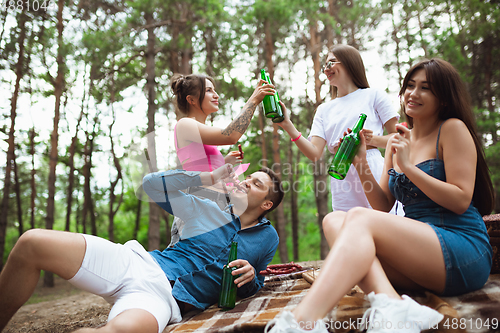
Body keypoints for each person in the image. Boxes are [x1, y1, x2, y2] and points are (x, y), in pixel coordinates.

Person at [266, 58, 494, 333]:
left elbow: (460, 200)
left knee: (359, 218)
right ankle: (393, 305)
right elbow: (384, 206)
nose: (413, 93)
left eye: (426, 88)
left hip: (460, 246)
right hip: (418, 252)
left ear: (444, 98)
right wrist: (361, 162)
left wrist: (409, 167)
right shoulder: (397, 142)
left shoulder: (452, 129)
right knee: (334, 219)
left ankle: (301, 322)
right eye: (410, 85)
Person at [0, 163, 284, 333]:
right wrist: (205, 178)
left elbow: (256, 280)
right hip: (135, 263)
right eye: (248, 177)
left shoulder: (267, 237)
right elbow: (152, 186)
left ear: (267, 204)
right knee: (31, 243)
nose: (246, 180)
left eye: (256, 183)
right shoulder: (204, 209)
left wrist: (250, 277)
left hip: (162, 300)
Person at [278, 44, 401, 214]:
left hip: (372, 166)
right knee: (349, 227)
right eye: (325, 66)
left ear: (349, 62)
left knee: (385, 222)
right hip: (341, 175)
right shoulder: (323, 110)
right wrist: (287, 124)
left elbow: (399, 137)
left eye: (331, 63)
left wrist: (369, 140)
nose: (326, 69)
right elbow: (314, 153)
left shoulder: (374, 95)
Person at [168, 74, 276, 245]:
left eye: (214, 90)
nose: (216, 95)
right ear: (192, 100)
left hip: (213, 207)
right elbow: (231, 135)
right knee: (189, 263)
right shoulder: (185, 124)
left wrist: (225, 164)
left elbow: (204, 171)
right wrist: (254, 100)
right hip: (197, 205)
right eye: (209, 91)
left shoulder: (200, 131)